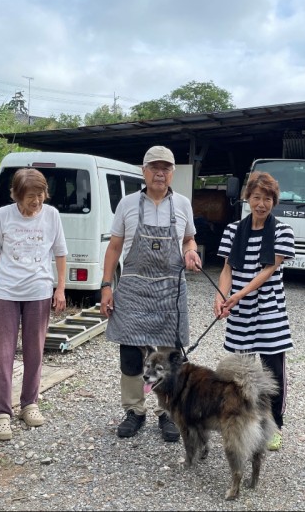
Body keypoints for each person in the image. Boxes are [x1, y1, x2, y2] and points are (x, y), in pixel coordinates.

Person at [100, 145, 202, 442]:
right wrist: (107, 286)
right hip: (133, 288)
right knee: (131, 353)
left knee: (169, 355)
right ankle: (134, 410)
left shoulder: (183, 204)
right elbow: (115, 247)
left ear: (172, 173)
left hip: (170, 289)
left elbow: (189, 240)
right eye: (154, 167)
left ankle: (167, 412)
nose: (160, 172)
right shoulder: (127, 204)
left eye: (166, 168)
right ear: (144, 171)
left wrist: (191, 253)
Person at [0, 168, 67, 441]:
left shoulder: (52, 215)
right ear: (17, 195)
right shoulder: (3, 215)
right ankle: (0, 414)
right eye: (31, 196)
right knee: (3, 355)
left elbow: (60, 253)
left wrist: (60, 288)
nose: (37, 201)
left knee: (35, 352)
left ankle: (29, 404)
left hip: (39, 291)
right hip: (5, 292)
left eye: (40, 194)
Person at [213, 171, 295, 451]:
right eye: (256, 197)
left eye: (268, 198)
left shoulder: (283, 231)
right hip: (239, 312)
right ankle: (243, 420)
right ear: (247, 197)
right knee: (241, 372)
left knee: (273, 372)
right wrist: (222, 295)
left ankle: (275, 425)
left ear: (274, 201)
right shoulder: (233, 231)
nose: (261, 203)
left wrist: (237, 294)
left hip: (269, 310)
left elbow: (268, 269)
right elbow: (227, 268)